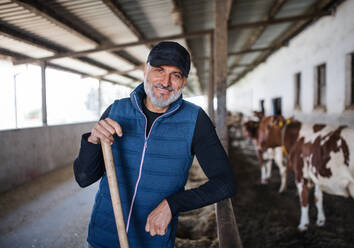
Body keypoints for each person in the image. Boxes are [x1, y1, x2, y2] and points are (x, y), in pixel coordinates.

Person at [74, 41, 236, 248]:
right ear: (146, 71)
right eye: (159, 70)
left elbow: (226, 183)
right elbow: (83, 178)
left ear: (184, 81)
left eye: (175, 75)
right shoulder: (116, 111)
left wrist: (173, 204)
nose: (165, 81)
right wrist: (93, 140)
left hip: (154, 241)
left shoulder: (195, 121)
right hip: (103, 239)